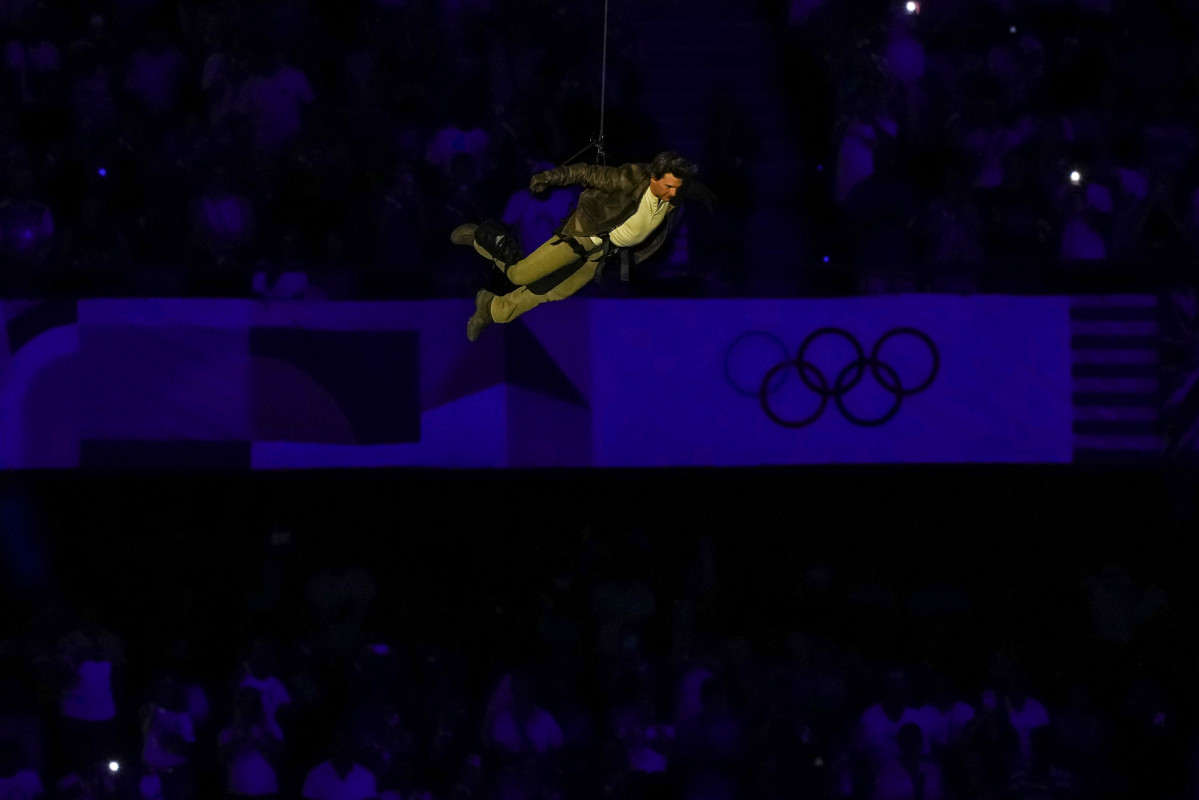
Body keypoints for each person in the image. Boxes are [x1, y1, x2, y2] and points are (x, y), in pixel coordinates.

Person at [450, 150, 710, 341]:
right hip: (582, 236)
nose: (672, 194)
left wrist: (710, 196)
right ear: (654, 177)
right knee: (519, 274)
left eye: (677, 188)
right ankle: (480, 236)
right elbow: (587, 172)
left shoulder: (675, 193)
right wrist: (551, 177)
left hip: (600, 254)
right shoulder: (630, 179)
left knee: (552, 291)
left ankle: (492, 308)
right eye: (668, 186)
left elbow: (691, 189)